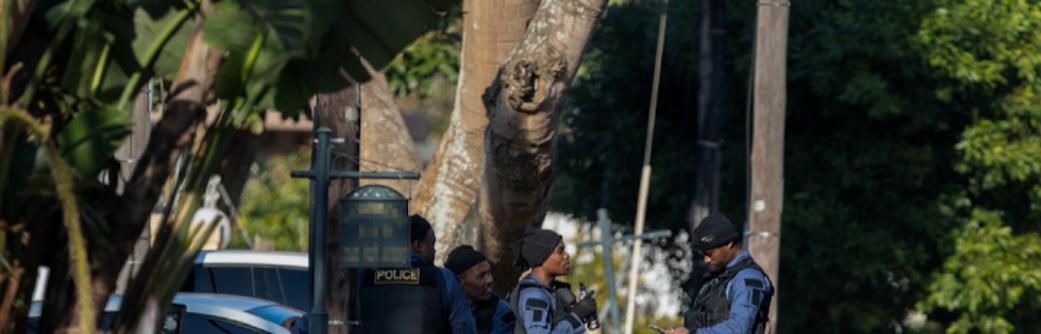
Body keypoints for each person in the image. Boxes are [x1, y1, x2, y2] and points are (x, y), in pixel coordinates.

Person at [290, 215, 478, 334]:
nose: (435, 251)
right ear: (417, 245)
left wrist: (295, 326)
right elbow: (464, 328)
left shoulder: (362, 276)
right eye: (432, 244)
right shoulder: (444, 280)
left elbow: (325, 314)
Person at [666, 213, 773, 334]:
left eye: (710, 253)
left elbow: (738, 329)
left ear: (729, 243)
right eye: (704, 255)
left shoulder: (747, 278)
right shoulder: (720, 277)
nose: (706, 260)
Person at [509, 228, 597, 334]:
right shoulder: (535, 296)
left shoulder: (550, 291)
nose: (566, 255)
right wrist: (576, 316)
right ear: (541, 257)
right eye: (560, 251)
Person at [445, 245, 517, 334]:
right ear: (458, 281)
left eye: (489, 273)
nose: (489, 280)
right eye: (481, 276)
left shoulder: (501, 311)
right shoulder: (439, 307)